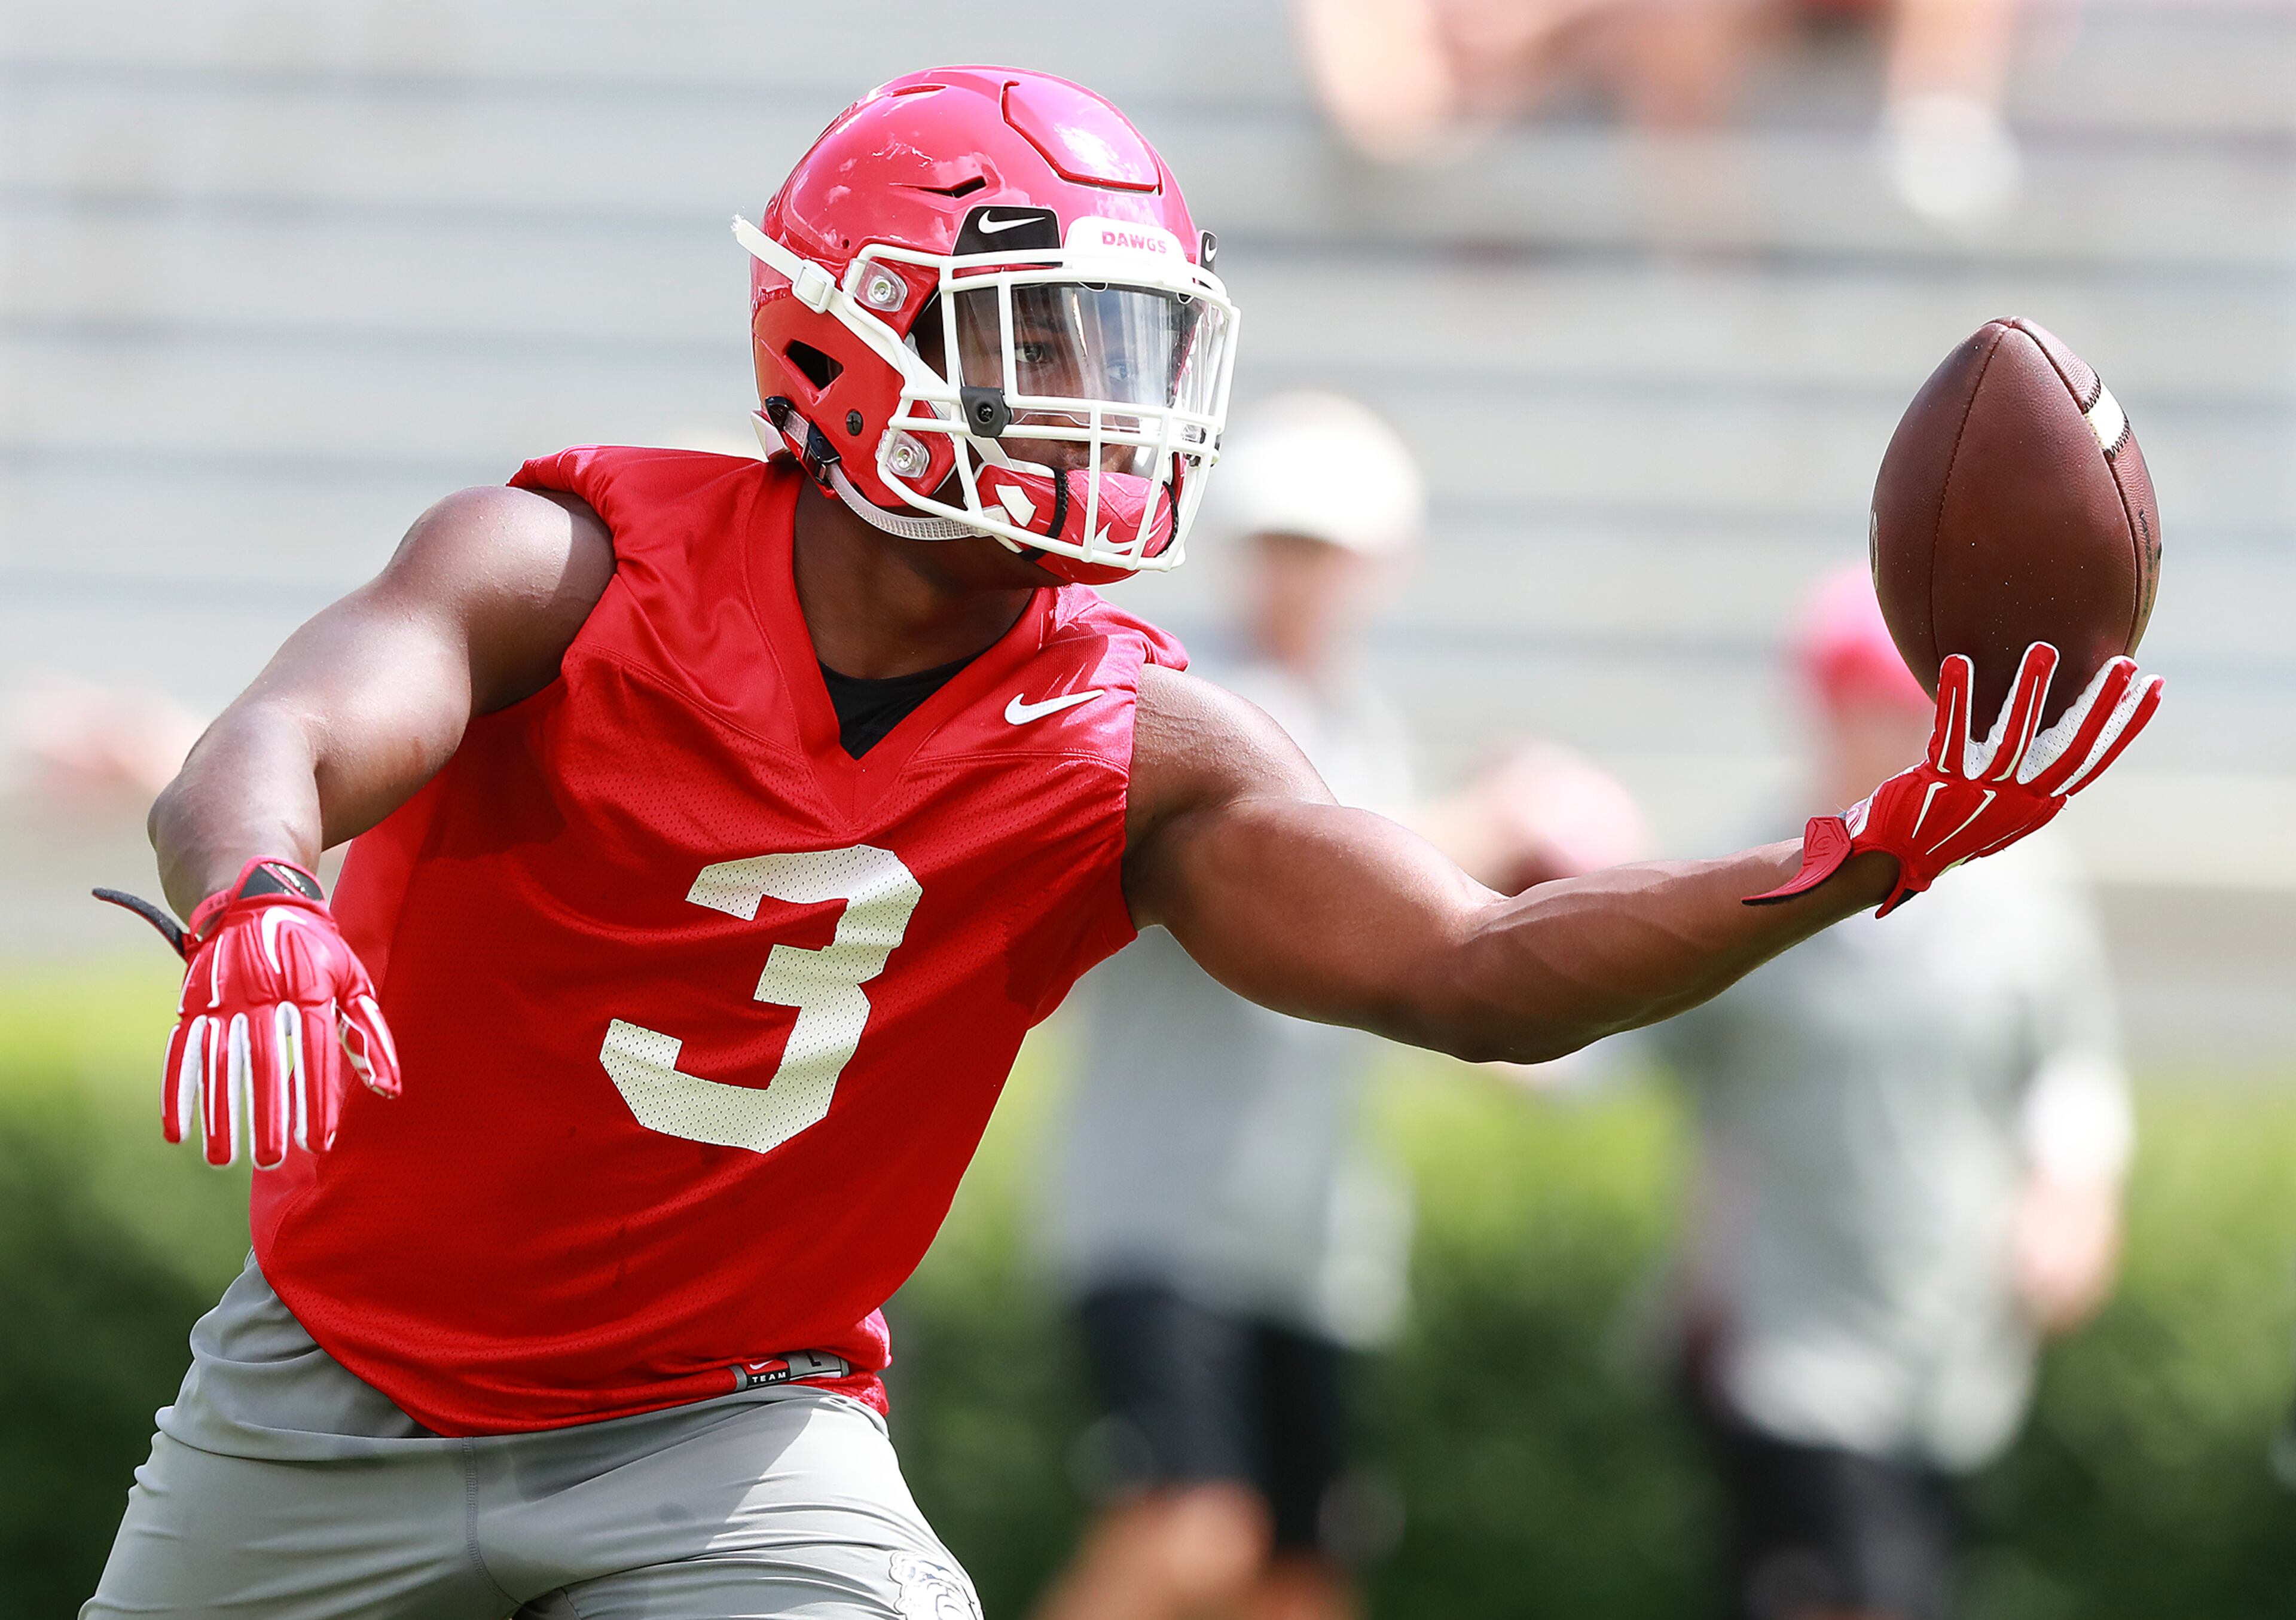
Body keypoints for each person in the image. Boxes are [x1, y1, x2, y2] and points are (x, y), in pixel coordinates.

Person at [81, 64, 2157, 1620]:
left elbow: (1462, 969)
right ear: (835, 335)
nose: (1105, 402)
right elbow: (276, 739)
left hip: (728, 1430)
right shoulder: (566, 564)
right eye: (1045, 340)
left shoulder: (1126, 737)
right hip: (329, 1391)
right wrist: (263, 894)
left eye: (1134, 346)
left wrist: (1849, 860)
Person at [1650, 568, 2134, 1620]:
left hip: (1951, 1361)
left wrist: (2073, 1196)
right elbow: (1611, 1041)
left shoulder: (2021, 890)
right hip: (1786, 1351)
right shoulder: (1756, 881)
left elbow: (2071, 1074)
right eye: (1852, 706)